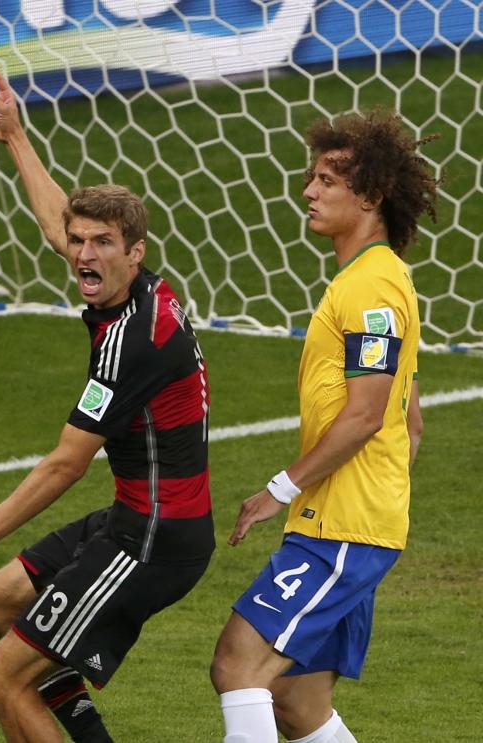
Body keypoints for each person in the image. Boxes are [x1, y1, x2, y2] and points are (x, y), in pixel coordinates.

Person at [0, 63, 215, 742]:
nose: (82, 254)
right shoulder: (130, 288)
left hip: (157, 539)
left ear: (135, 252)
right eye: (79, 242)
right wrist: (14, 135)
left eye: (102, 243)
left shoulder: (131, 343)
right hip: (135, 514)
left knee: (1, 677)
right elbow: (58, 223)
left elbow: (65, 465)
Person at [209, 110, 437, 743]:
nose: (308, 191)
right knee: (293, 700)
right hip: (351, 522)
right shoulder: (380, 282)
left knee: (238, 665)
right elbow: (409, 422)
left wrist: (280, 490)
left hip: (340, 529)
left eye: (326, 181)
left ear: (369, 196)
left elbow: (367, 415)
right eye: (311, 178)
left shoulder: (369, 288)